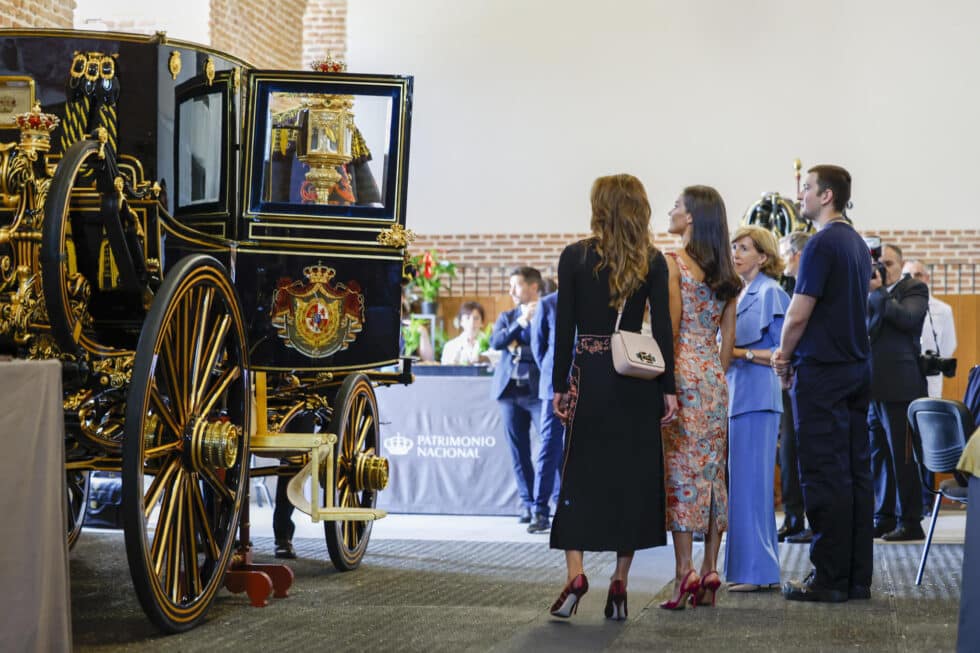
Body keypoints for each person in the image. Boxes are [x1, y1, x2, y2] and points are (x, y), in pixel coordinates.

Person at [548, 173, 677, 620]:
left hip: (591, 376)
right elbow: (661, 330)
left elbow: (563, 328)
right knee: (632, 481)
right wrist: (669, 389)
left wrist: (559, 387)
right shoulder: (654, 261)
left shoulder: (575, 257)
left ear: (599, 207)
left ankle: (576, 574)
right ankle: (620, 583)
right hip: (637, 378)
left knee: (580, 476)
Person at [773, 164, 874, 603]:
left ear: (827, 195)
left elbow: (798, 313)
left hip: (823, 372)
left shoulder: (819, 244)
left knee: (822, 474)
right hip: (856, 367)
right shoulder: (857, 243)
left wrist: (781, 356)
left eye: (807, 189)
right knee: (855, 473)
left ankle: (828, 578)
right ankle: (855, 578)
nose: (801, 197)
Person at [661, 185, 740, 609]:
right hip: (713, 376)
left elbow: (671, 330)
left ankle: (683, 573)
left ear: (690, 217)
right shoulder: (728, 274)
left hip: (683, 372)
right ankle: (712, 568)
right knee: (713, 474)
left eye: (676, 206)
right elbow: (728, 344)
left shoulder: (674, 265)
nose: (671, 210)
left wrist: (670, 382)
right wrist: (712, 371)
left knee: (681, 476)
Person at [725, 226, 790, 592]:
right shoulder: (741, 292)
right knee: (743, 486)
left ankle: (760, 571)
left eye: (744, 248)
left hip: (759, 398)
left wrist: (741, 353)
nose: (736, 253)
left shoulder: (771, 292)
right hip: (739, 396)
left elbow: (781, 352)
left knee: (754, 487)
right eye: (734, 247)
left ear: (762, 256)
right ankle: (748, 569)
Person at [867, 243, 928, 542]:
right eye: (878, 263)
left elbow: (907, 319)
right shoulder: (869, 294)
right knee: (878, 455)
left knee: (901, 457)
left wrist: (879, 292)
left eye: (889, 263)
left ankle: (911, 520)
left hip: (901, 386)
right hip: (872, 386)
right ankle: (883, 516)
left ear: (900, 265)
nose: (882, 268)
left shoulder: (914, 289)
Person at [490, 267, 543, 524]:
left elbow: (543, 347)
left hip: (537, 393)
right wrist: (520, 323)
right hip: (509, 392)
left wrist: (519, 347)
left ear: (533, 287)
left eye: (517, 285)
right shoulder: (507, 316)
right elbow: (496, 342)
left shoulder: (547, 313)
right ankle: (528, 504)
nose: (511, 291)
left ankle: (548, 503)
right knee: (518, 452)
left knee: (549, 447)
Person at [777, 231, 813, 543]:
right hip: (787, 379)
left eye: (784, 253)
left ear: (797, 254)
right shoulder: (785, 286)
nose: (781, 260)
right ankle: (792, 517)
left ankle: (812, 519)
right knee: (788, 451)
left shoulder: (812, 283)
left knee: (809, 451)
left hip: (808, 374)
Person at [528, 289, 564, 533]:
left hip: (585, 385)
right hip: (552, 388)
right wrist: (552, 375)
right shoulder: (548, 304)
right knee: (549, 448)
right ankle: (540, 510)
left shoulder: (594, 298)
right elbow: (538, 347)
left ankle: (568, 508)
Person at [902, 260, 957, 399]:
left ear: (927, 278)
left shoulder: (943, 310)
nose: (913, 278)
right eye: (908, 275)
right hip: (901, 378)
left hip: (930, 378)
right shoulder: (895, 308)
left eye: (918, 274)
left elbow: (948, 346)